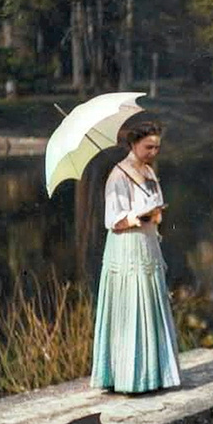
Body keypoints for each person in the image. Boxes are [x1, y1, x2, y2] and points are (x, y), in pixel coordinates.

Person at [90, 119, 181, 394]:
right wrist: (137, 216)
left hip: (148, 243)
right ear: (133, 144)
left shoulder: (149, 173)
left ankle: (154, 373)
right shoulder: (119, 175)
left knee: (150, 301)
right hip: (127, 246)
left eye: (157, 147)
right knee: (131, 305)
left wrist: (155, 213)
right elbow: (113, 220)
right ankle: (128, 377)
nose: (153, 152)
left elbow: (156, 206)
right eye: (148, 146)